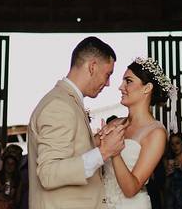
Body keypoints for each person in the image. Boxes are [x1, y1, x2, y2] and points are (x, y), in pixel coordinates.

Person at [26, 36, 126, 209]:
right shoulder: (59, 106)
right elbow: (48, 173)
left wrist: (96, 142)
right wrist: (103, 152)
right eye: (108, 74)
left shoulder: (67, 101)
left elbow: (69, 151)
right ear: (92, 66)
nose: (108, 83)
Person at [104, 56, 170, 209]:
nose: (121, 87)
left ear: (147, 88)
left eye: (128, 81)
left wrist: (114, 152)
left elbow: (131, 189)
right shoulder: (114, 124)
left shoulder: (155, 133)